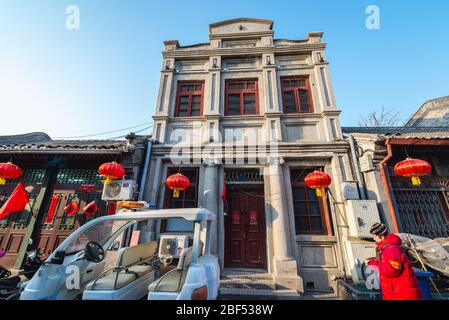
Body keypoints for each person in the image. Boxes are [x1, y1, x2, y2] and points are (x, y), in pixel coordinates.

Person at [366, 223, 423, 300]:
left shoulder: (391, 248)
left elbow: (393, 270)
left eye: (374, 236)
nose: (373, 238)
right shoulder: (385, 247)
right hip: (396, 292)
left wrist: (373, 263)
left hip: (402, 294)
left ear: (381, 236)